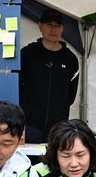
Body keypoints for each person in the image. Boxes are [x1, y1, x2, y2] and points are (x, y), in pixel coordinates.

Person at [19, 8, 80, 143]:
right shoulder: (27, 54)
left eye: (57, 26)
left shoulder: (71, 59)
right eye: (49, 25)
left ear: (62, 28)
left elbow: (70, 95)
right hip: (29, 125)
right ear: (40, 26)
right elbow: (17, 87)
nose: (53, 29)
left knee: (55, 162)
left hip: (58, 126)